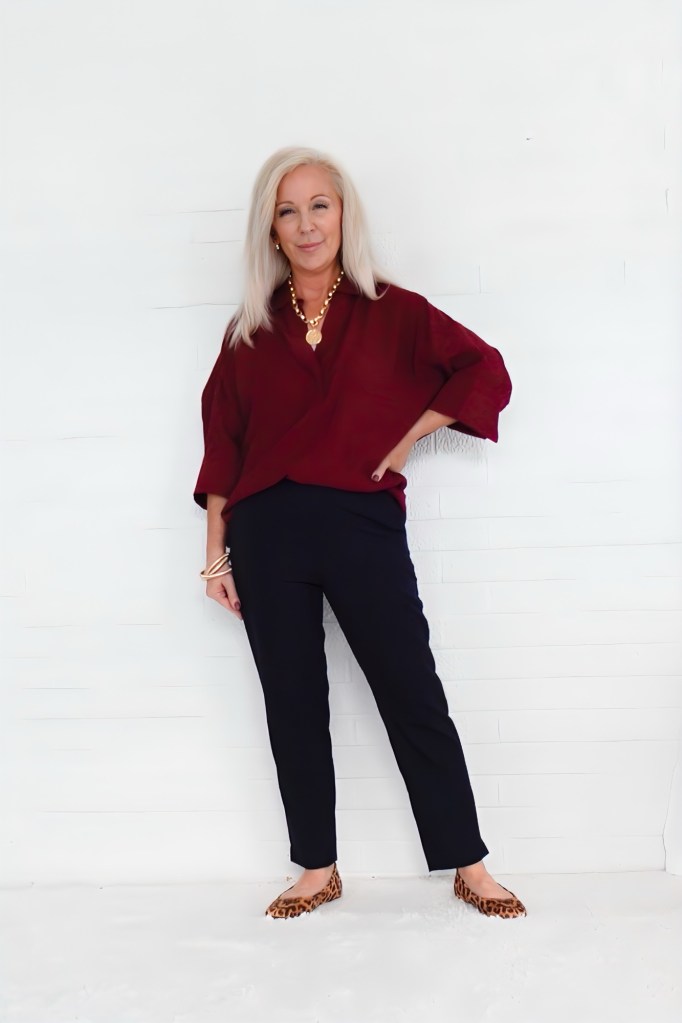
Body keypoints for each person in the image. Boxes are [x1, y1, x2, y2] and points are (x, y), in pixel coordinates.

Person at [193, 146, 526, 920]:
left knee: (411, 688)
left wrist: (411, 436)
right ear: (270, 231)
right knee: (292, 698)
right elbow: (222, 441)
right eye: (288, 210)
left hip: (359, 519)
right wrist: (215, 555)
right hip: (268, 527)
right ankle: (316, 865)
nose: (306, 223)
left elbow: (484, 368)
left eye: (320, 205)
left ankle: (468, 860)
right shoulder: (250, 328)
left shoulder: (393, 310)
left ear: (344, 216)